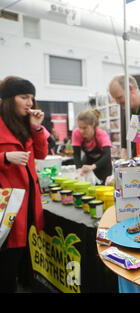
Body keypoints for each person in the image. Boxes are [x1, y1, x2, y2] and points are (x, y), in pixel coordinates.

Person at [0, 76, 48, 292]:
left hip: (27, 202)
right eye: (24, 97)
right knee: (7, 262)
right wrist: (5, 157)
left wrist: (37, 129)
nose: (30, 103)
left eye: (32, 97)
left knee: (21, 257)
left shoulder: (26, 124)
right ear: (9, 99)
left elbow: (41, 154)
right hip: (6, 205)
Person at [72, 109, 112, 185]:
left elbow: (107, 156)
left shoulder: (102, 135)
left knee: (103, 187)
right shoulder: (76, 133)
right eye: (80, 127)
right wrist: (79, 169)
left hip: (103, 162)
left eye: (85, 128)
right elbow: (76, 154)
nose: (81, 131)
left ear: (93, 125)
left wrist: (92, 167)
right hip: (88, 160)